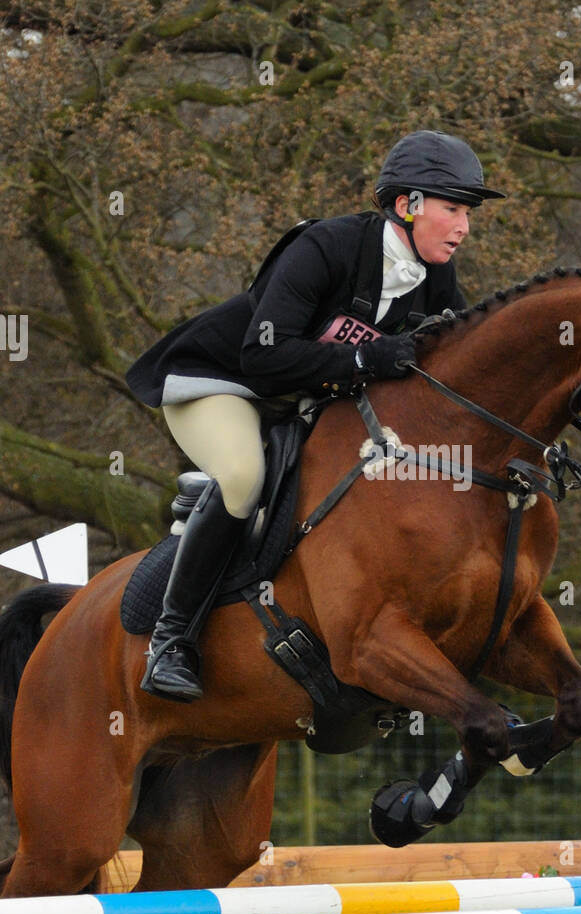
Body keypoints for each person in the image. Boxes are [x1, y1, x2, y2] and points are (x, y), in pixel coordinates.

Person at [125, 130, 506, 702]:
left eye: (468, 212)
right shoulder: (325, 249)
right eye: (453, 209)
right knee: (243, 477)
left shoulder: (435, 278)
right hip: (225, 383)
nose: (464, 227)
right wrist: (362, 357)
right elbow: (263, 354)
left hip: (304, 400)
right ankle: (172, 640)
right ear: (407, 205)